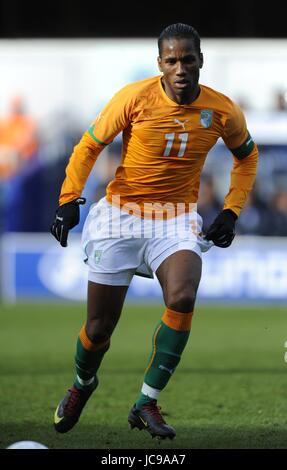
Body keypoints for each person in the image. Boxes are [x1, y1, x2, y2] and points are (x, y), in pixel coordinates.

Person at [51, 23, 258, 440]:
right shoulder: (134, 98)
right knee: (98, 329)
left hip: (177, 217)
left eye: (187, 59)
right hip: (121, 217)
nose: (180, 68)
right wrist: (68, 198)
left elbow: (247, 158)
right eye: (171, 60)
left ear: (201, 60)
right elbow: (89, 145)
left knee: (182, 295)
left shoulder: (222, 110)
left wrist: (231, 211)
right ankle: (83, 384)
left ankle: (146, 400)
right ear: (159, 63)